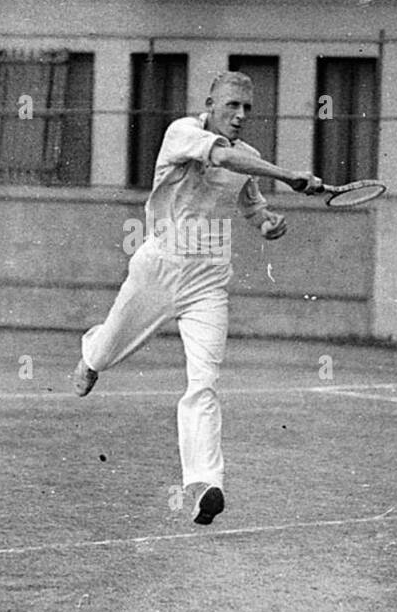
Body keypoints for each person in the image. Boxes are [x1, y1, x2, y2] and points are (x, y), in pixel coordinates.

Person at [72, 71, 324, 525]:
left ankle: (206, 484)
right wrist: (290, 176)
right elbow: (223, 158)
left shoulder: (249, 157)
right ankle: (91, 355)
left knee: (204, 381)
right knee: (107, 352)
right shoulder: (182, 133)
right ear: (210, 105)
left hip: (208, 283)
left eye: (247, 108)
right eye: (232, 106)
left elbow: (252, 205)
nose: (241, 116)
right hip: (159, 268)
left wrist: (268, 225)